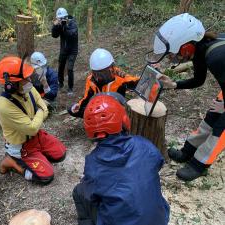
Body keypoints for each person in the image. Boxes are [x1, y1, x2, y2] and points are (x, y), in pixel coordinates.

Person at [147, 13, 225, 181]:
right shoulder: (202, 48)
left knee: (221, 128)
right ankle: (187, 151)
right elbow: (199, 80)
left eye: (173, 53)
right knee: (211, 117)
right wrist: (174, 84)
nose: (172, 57)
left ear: (185, 46)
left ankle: (199, 165)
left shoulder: (217, 56)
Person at [72, 92, 170, 225]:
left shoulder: (93, 163)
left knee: (79, 191)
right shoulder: (144, 144)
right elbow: (158, 163)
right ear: (124, 119)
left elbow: (90, 194)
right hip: (160, 219)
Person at [0, 56, 66, 184]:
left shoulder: (26, 89)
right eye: (25, 78)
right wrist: (40, 112)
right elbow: (33, 127)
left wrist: (39, 115)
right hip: (23, 146)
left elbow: (44, 106)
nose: (29, 80)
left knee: (60, 154)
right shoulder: (4, 105)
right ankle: (12, 162)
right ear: (11, 85)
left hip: (36, 136)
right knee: (45, 177)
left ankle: (39, 155)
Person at [68, 48, 139, 118]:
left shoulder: (120, 78)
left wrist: (149, 74)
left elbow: (138, 82)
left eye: (104, 73)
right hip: (98, 110)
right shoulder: (91, 80)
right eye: (97, 74)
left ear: (111, 68)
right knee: (72, 109)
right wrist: (78, 106)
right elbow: (86, 98)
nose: (100, 77)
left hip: (115, 112)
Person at [51, 7, 78, 95]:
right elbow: (54, 35)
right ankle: (61, 83)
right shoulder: (60, 24)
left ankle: (70, 88)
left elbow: (72, 34)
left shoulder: (72, 22)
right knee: (61, 66)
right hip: (63, 50)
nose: (62, 20)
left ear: (66, 16)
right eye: (60, 18)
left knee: (69, 68)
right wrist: (55, 26)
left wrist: (65, 26)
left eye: (63, 18)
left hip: (72, 51)